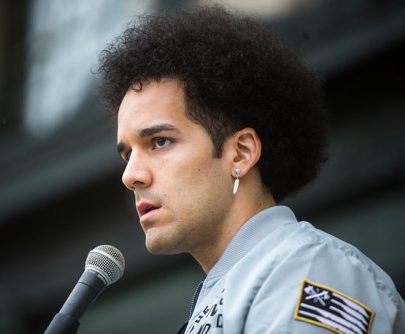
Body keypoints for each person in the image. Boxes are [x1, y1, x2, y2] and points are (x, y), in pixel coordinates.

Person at [98, 5, 404, 334]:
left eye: (160, 142)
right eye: (127, 153)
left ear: (240, 154)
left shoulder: (306, 269)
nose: (131, 176)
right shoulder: (249, 281)